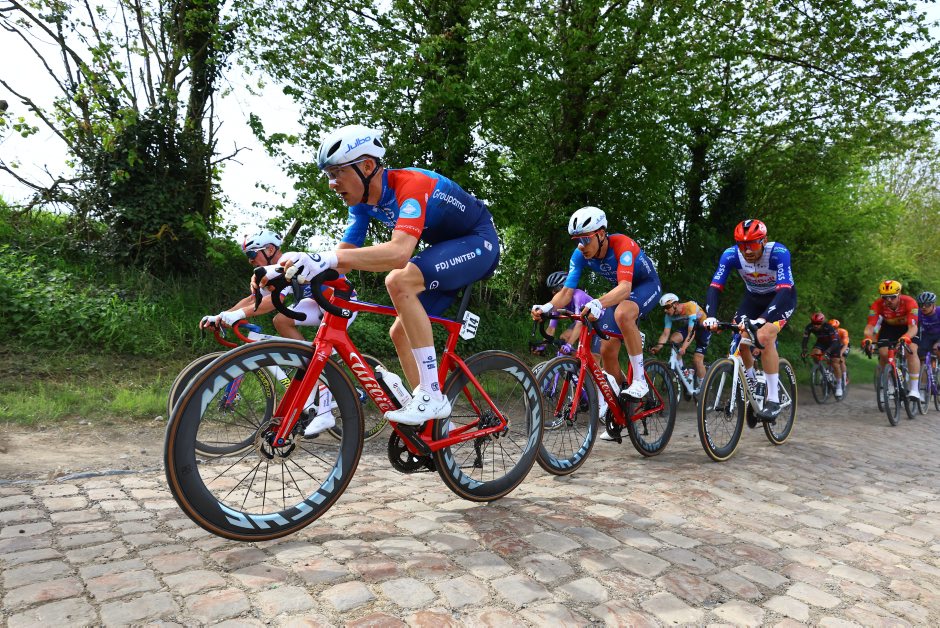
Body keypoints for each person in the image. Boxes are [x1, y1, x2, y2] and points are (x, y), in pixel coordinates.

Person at [260, 124, 500, 426]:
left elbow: (399, 253)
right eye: (329, 175)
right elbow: (341, 262)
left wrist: (326, 258)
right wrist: (284, 269)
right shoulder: (361, 206)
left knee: (399, 280)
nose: (332, 184)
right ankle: (436, 424)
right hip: (445, 251)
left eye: (337, 172)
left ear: (367, 166)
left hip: (479, 242)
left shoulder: (411, 185)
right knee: (400, 331)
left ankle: (431, 395)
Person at [531, 206, 662, 403]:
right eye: (576, 240)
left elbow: (625, 288)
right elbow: (566, 292)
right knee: (606, 351)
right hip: (620, 291)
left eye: (585, 239)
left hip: (646, 285)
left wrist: (598, 302)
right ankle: (623, 403)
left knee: (623, 313)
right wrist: (546, 307)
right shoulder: (579, 255)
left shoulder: (622, 245)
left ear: (601, 234)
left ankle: (640, 381)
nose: (581, 246)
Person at [702, 219, 796, 422]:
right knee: (742, 341)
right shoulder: (730, 255)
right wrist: (711, 316)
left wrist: (763, 319)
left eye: (752, 244)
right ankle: (752, 388)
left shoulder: (778, 253)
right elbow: (715, 287)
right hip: (753, 299)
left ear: (764, 241)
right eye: (742, 245)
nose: (747, 250)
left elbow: (784, 290)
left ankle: (773, 400)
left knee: (764, 336)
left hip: (781, 299)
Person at [862, 280, 920, 400]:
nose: (888, 300)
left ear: (899, 294)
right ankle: (889, 382)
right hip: (889, 327)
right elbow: (870, 326)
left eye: (892, 297)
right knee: (883, 353)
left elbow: (913, 327)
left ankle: (914, 389)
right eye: (885, 297)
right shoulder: (877, 304)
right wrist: (868, 338)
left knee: (912, 351)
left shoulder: (910, 302)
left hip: (908, 327)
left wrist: (906, 338)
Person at [650, 293, 710, 387]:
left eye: (667, 307)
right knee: (674, 339)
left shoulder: (690, 307)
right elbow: (665, 334)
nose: (665, 310)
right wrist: (658, 347)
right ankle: (684, 371)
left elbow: (691, 332)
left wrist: (684, 348)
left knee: (697, 359)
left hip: (704, 329)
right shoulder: (668, 316)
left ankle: (704, 388)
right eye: (663, 308)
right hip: (690, 327)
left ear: (676, 304)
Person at [542, 271, 602, 357]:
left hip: (601, 320)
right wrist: (542, 345)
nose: (553, 293)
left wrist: (569, 345)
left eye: (556, 289)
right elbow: (551, 328)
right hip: (585, 320)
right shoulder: (559, 302)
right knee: (564, 339)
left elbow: (579, 323)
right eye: (551, 290)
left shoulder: (578, 296)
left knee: (595, 356)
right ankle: (575, 362)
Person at [801, 312, 845, 398]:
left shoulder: (828, 327)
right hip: (821, 343)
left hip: (834, 344)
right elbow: (805, 339)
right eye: (814, 323)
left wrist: (827, 352)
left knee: (835, 363)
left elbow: (835, 342)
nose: (815, 325)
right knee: (815, 353)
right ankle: (823, 372)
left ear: (822, 322)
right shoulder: (809, 327)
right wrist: (804, 350)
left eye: (818, 323)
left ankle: (839, 386)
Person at [915, 291, 940, 365]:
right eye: (921, 305)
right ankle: (924, 370)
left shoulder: (939, 311)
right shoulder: (918, 312)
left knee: (937, 348)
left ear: (933, 305)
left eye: (927, 304)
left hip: (939, 335)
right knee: (920, 352)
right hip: (927, 335)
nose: (923, 307)